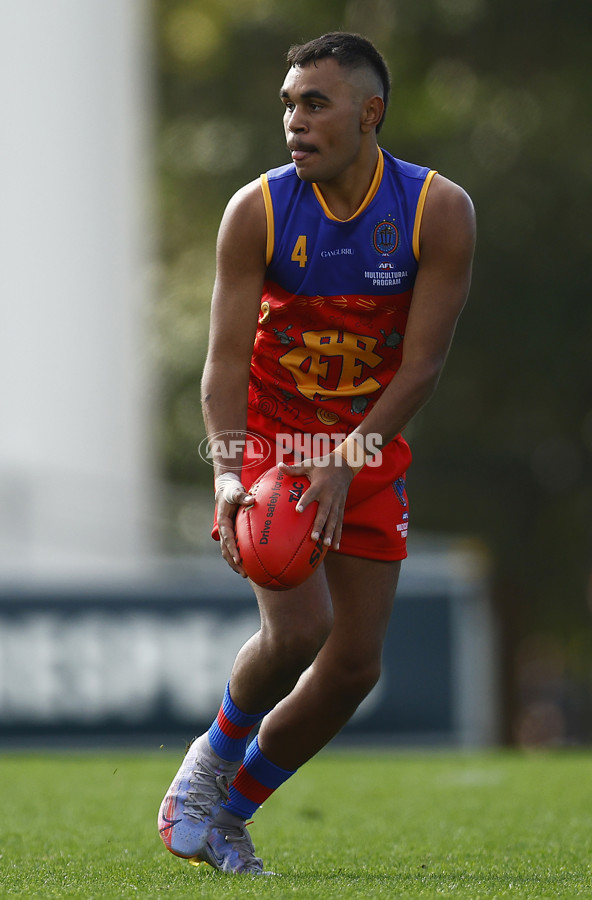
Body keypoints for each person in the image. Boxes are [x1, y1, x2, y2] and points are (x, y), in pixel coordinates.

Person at [158, 31, 476, 875]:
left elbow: (423, 367)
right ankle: (208, 765)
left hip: (365, 440)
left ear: (370, 114)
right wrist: (230, 470)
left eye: (316, 104)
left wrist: (348, 456)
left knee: (354, 668)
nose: (295, 121)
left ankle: (228, 813)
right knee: (300, 628)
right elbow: (223, 365)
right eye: (289, 105)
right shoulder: (257, 210)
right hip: (272, 435)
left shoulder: (435, 211)